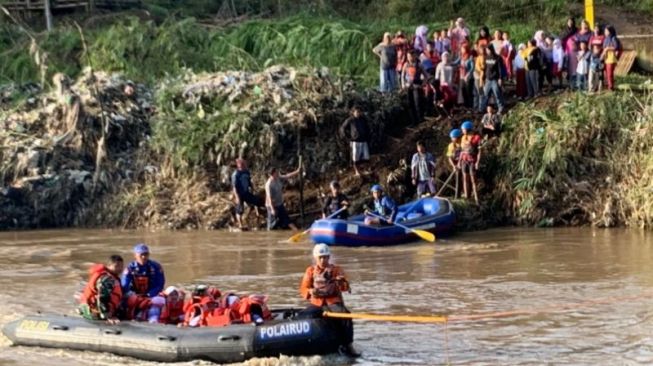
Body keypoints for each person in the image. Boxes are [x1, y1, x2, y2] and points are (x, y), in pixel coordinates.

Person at [299, 244, 356, 356]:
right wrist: (310, 291)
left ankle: (348, 344)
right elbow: (303, 288)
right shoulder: (310, 271)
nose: (323, 260)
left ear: (329, 257)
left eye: (325, 257)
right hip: (317, 303)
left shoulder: (336, 270)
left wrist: (341, 282)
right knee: (302, 316)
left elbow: (345, 287)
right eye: (320, 257)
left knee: (346, 315)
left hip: (333, 302)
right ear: (316, 258)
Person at [78, 255, 124, 324]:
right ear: (109, 266)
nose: (120, 269)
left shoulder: (112, 277)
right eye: (116, 266)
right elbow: (102, 298)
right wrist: (108, 316)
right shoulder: (107, 279)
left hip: (97, 308)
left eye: (121, 266)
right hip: (94, 312)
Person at [265, 166, 300, 231]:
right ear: (272, 174)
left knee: (286, 219)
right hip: (271, 206)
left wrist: (297, 171)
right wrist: (272, 209)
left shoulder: (278, 178)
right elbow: (269, 198)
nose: (278, 173)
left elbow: (287, 176)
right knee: (271, 225)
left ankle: (296, 231)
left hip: (279, 204)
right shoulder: (269, 184)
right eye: (276, 172)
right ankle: (269, 237)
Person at [232, 158, 263, 230]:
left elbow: (249, 181)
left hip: (246, 192)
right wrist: (237, 197)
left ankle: (258, 217)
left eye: (244, 163)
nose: (244, 165)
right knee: (239, 209)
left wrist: (252, 188)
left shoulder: (246, 172)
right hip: (239, 194)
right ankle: (240, 225)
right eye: (242, 163)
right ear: (238, 165)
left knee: (257, 201)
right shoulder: (236, 174)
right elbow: (234, 187)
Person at [340, 105, 371, 176]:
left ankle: (365, 170)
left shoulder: (363, 119)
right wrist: (347, 138)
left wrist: (368, 137)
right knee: (355, 157)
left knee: (366, 157)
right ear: (353, 112)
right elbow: (343, 128)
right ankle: (357, 171)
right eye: (357, 112)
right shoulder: (350, 120)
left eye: (359, 112)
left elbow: (368, 128)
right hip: (355, 141)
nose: (358, 113)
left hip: (364, 140)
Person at [401, 51, 429, 126]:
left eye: (411, 56)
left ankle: (420, 120)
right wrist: (403, 84)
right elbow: (402, 75)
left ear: (414, 56)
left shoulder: (419, 65)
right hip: (409, 86)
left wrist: (423, 84)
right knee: (410, 104)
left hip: (417, 86)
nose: (409, 58)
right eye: (408, 56)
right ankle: (413, 121)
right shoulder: (406, 65)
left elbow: (426, 76)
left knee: (418, 103)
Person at [459, 121, 481, 204]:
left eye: (463, 129)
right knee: (465, 179)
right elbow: (462, 151)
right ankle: (467, 196)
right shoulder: (463, 138)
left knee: (473, 180)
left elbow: (479, 151)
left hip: (472, 161)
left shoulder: (476, 138)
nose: (463, 131)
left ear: (468, 129)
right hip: (464, 160)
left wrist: (477, 162)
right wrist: (459, 162)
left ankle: (476, 198)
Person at [481, 44, 504, 113]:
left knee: (497, 94)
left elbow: (500, 69)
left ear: (491, 49)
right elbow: (485, 68)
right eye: (486, 50)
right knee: (485, 94)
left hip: (495, 79)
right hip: (488, 79)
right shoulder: (486, 57)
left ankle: (501, 107)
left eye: (488, 49)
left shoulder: (498, 58)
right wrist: (483, 78)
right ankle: (483, 108)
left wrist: (500, 78)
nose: (487, 51)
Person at [602, 25, 621, 91]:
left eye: (606, 31)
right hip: (606, 58)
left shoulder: (613, 38)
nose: (605, 32)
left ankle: (611, 87)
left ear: (610, 31)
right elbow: (604, 48)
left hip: (611, 58)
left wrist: (608, 48)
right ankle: (609, 85)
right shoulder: (605, 39)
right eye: (605, 31)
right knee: (606, 73)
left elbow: (616, 47)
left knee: (609, 73)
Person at [446, 129, 462, 198]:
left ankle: (463, 193)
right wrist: (454, 166)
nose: (452, 139)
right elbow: (449, 157)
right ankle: (457, 195)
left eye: (453, 137)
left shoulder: (462, 144)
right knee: (457, 178)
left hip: (463, 162)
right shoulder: (451, 146)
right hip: (455, 164)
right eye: (451, 138)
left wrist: (460, 163)